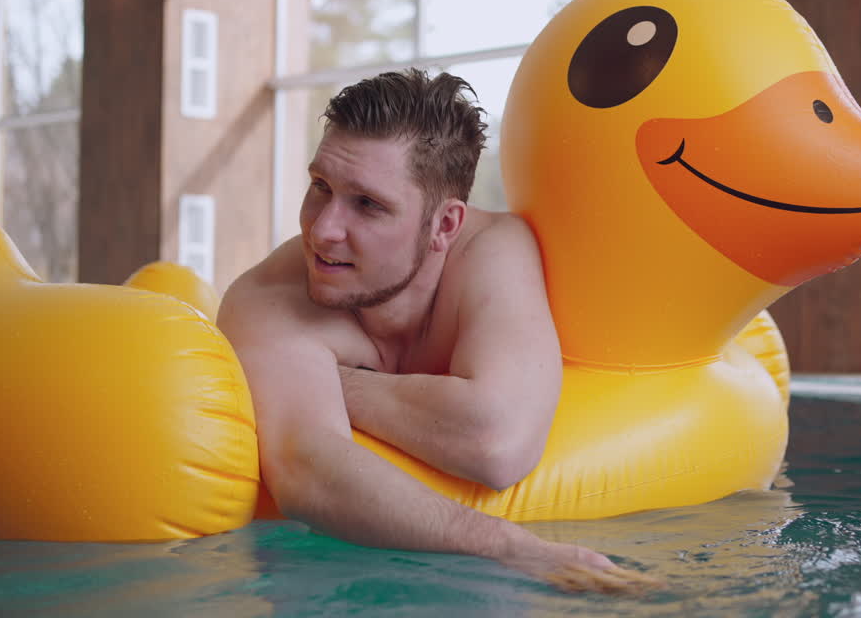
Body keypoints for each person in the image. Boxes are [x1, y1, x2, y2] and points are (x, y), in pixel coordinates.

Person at [217, 68, 660, 594]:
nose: (322, 229)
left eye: (367, 204)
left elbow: (497, 443)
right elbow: (307, 471)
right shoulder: (267, 298)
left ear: (445, 225)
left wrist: (331, 382)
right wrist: (508, 547)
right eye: (320, 186)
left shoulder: (491, 251)